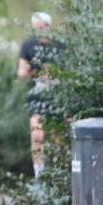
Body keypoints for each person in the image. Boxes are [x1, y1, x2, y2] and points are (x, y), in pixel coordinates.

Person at [17, 11, 63, 179]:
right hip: (37, 95)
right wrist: (31, 71)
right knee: (36, 134)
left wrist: (55, 73)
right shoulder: (28, 45)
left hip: (58, 96)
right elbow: (21, 72)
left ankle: (59, 176)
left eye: (40, 29)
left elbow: (71, 70)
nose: (37, 34)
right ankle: (39, 175)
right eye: (34, 30)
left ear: (48, 28)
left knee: (58, 138)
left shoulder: (60, 45)